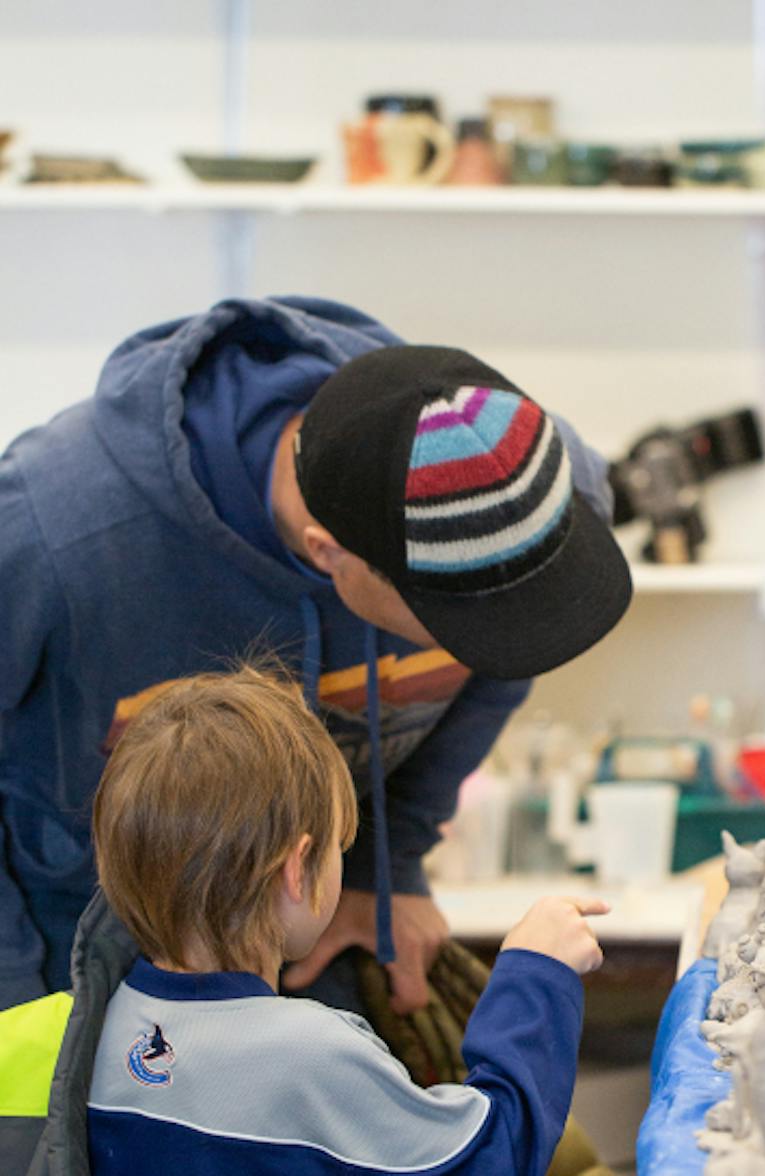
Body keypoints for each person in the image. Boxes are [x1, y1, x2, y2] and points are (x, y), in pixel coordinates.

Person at [0, 296, 633, 1016]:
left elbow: (513, 648)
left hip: (303, 927)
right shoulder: (44, 536)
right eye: (453, 626)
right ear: (330, 555)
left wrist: (380, 868)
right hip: (69, 958)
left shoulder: (519, 480)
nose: (488, 647)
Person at [75, 665, 605, 1174]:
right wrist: (535, 973)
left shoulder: (93, 1033)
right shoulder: (312, 1057)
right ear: (296, 871)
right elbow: (488, 1155)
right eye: (338, 847)